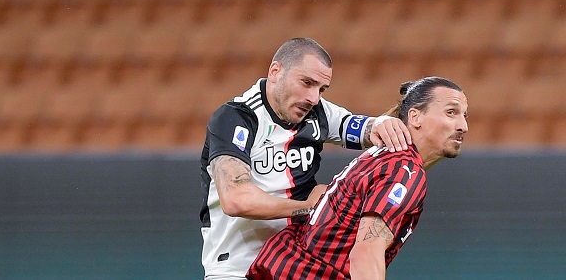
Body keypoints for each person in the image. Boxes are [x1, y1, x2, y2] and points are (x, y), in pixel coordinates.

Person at [200, 37, 412, 279]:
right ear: (276, 72)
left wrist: (383, 123)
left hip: (296, 268)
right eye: (307, 83)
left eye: (321, 89)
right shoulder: (236, 118)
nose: (313, 98)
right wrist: (311, 208)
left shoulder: (318, 112)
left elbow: (364, 127)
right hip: (237, 269)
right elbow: (236, 199)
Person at [246, 76, 469, 280]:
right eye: (451, 112)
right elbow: (365, 253)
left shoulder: (384, 154)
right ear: (415, 116)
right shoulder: (405, 170)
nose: (463, 126)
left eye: (464, 115)